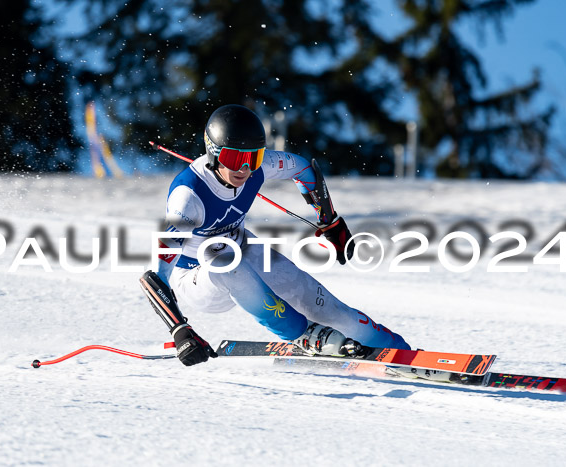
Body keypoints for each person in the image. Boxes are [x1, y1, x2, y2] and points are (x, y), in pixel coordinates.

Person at [140, 104, 410, 366]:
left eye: (253, 158)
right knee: (225, 265)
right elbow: (154, 278)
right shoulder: (188, 198)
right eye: (234, 158)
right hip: (198, 278)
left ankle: (401, 351)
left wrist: (329, 219)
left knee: (324, 305)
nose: (244, 169)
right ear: (213, 153)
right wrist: (180, 331)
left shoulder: (259, 167)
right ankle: (302, 335)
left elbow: (303, 168)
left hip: (242, 250)